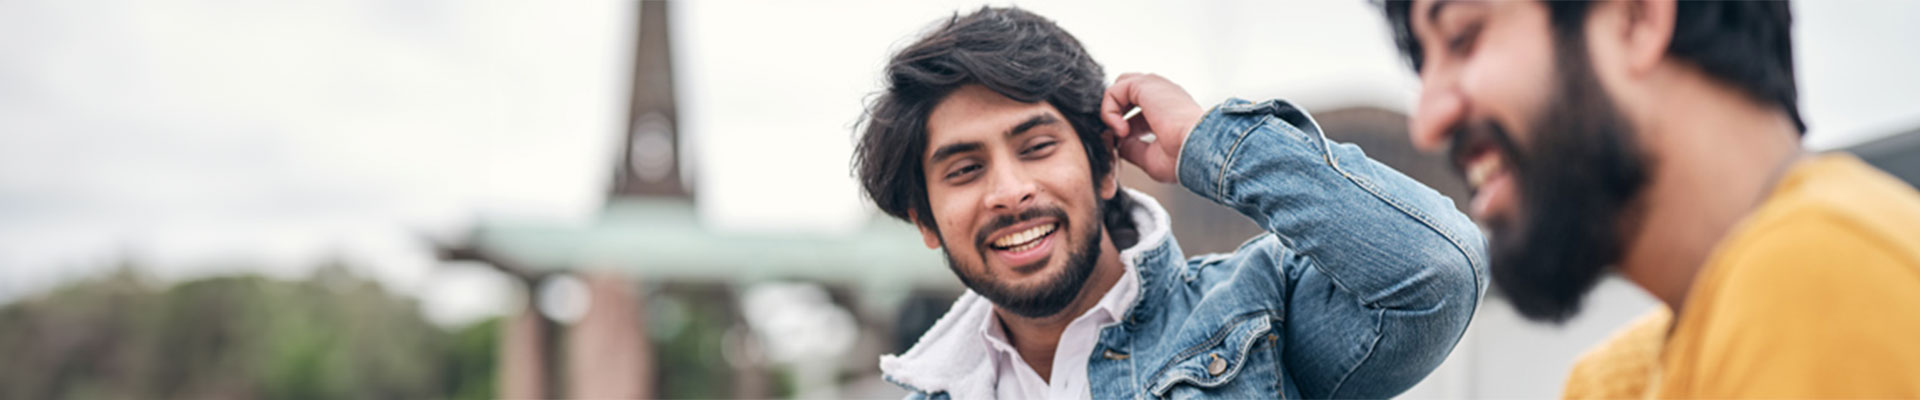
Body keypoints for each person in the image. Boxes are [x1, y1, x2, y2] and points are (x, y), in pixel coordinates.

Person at [1120, 0, 1920, 397]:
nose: (1431, 117)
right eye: (1422, 62)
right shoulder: (1626, 373)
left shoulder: (1818, 279)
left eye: (1464, 38)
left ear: (1638, 18)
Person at [856, 7, 1485, 399]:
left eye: (1037, 146)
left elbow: (1434, 274)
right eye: (965, 169)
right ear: (926, 221)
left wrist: (1209, 143)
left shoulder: (1259, 315)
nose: (1009, 191)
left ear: (1105, 165)